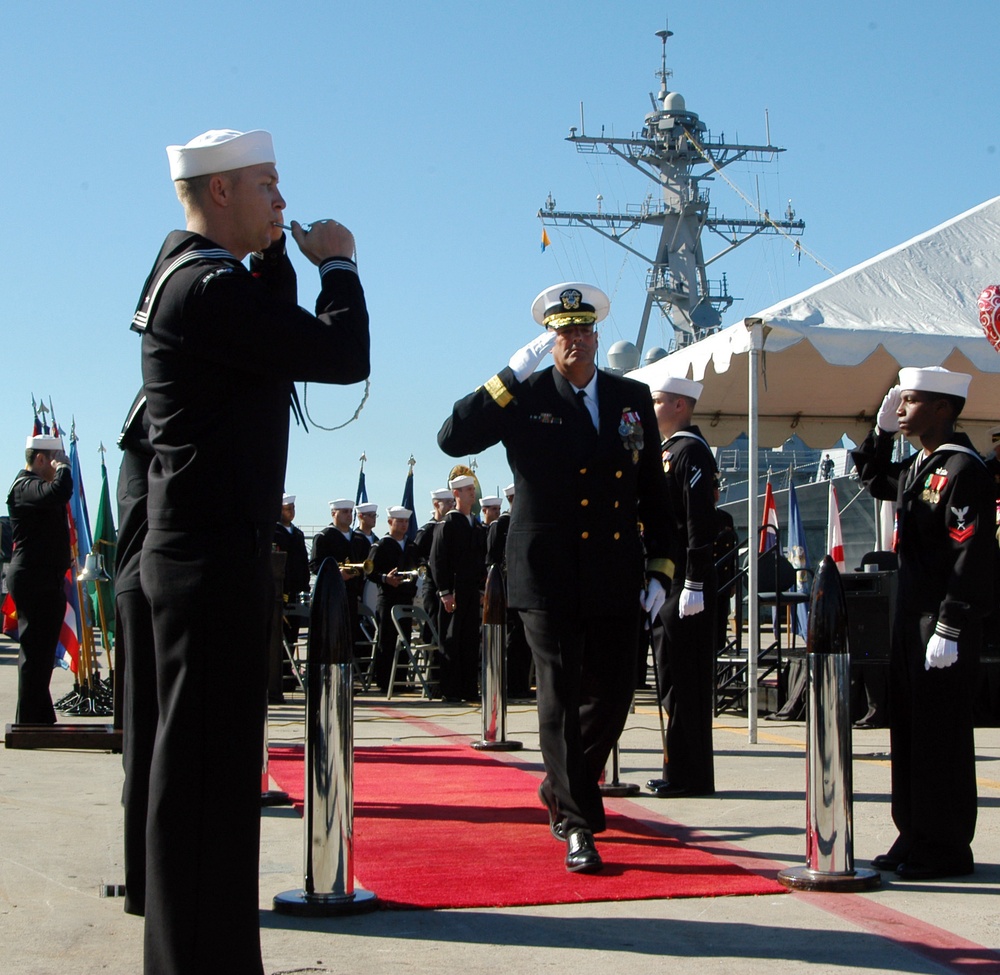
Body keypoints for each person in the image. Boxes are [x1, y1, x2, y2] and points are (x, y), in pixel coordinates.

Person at [131, 127, 369, 975]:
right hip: (207, 561)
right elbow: (339, 353)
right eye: (267, 183)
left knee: (214, 782)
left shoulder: (201, 278)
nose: (283, 198)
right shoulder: (205, 288)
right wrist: (338, 263)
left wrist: (276, 256)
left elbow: (270, 328)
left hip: (208, 556)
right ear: (221, 191)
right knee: (202, 785)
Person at [438, 281, 673, 873]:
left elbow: (655, 493)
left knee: (616, 690)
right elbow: (452, 438)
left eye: (583, 330)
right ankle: (574, 820)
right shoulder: (524, 396)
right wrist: (507, 377)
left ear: (597, 335)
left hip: (615, 569)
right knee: (562, 695)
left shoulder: (630, 397)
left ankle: (562, 788)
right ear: (550, 339)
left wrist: (664, 570)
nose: (574, 340)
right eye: (562, 332)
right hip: (548, 572)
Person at [852, 366, 995, 881]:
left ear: (942, 408)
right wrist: (881, 432)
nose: (902, 408)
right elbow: (873, 478)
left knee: (941, 737)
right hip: (911, 619)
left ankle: (946, 846)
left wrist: (953, 623)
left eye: (911, 402)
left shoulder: (964, 470)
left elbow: (972, 554)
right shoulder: (922, 465)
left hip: (942, 624)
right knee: (910, 732)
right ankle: (913, 831)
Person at [645, 376, 719, 798]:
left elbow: (698, 522)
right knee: (670, 673)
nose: (652, 407)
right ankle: (677, 767)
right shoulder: (668, 451)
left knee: (687, 677)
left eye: (657, 401)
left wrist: (693, 580)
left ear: (678, 405)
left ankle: (691, 774)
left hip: (687, 583)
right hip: (669, 580)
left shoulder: (690, 451)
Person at [6, 433, 73, 724]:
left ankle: (39, 717)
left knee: (44, 653)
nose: (60, 466)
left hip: (49, 577)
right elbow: (59, 492)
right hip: (33, 578)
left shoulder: (40, 487)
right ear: (41, 459)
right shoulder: (25, 486)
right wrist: (65, 471)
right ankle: (30, 721)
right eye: (56, 461)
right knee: (35, 651)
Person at [429, 474, 486, 701]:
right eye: (466, 490)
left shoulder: (474, 523)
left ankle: (469, 688)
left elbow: (479, 559)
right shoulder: (449, 523)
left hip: (472, 591)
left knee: (471, 640)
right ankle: (451, 690)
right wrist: (445, 591)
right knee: (452, 640)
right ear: (456, 494)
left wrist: (481, 589)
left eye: (472, 489)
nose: (472, 493)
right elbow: (438, 559)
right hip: (454, 590)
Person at [367, 505, 420, 692]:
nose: (404, 525)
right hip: (388, 599)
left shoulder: (411, 546)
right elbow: (369, 571)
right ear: (390, 522)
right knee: (387, 640)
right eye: (400, 521)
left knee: (404, 639)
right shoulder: (381, 545)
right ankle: (384, 680)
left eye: (406, 521)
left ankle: (401, 679)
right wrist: (385, 579)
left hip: (405, 598)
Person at [272, 493, 310, 647]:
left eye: (293, 508)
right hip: (281, 589)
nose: (291, 512)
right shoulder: (275, 532)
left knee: (292, 633)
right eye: (288, 508)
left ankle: (290, 668)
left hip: (296, 590)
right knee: (279, 635)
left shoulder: (297, 534)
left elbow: (303, 563)